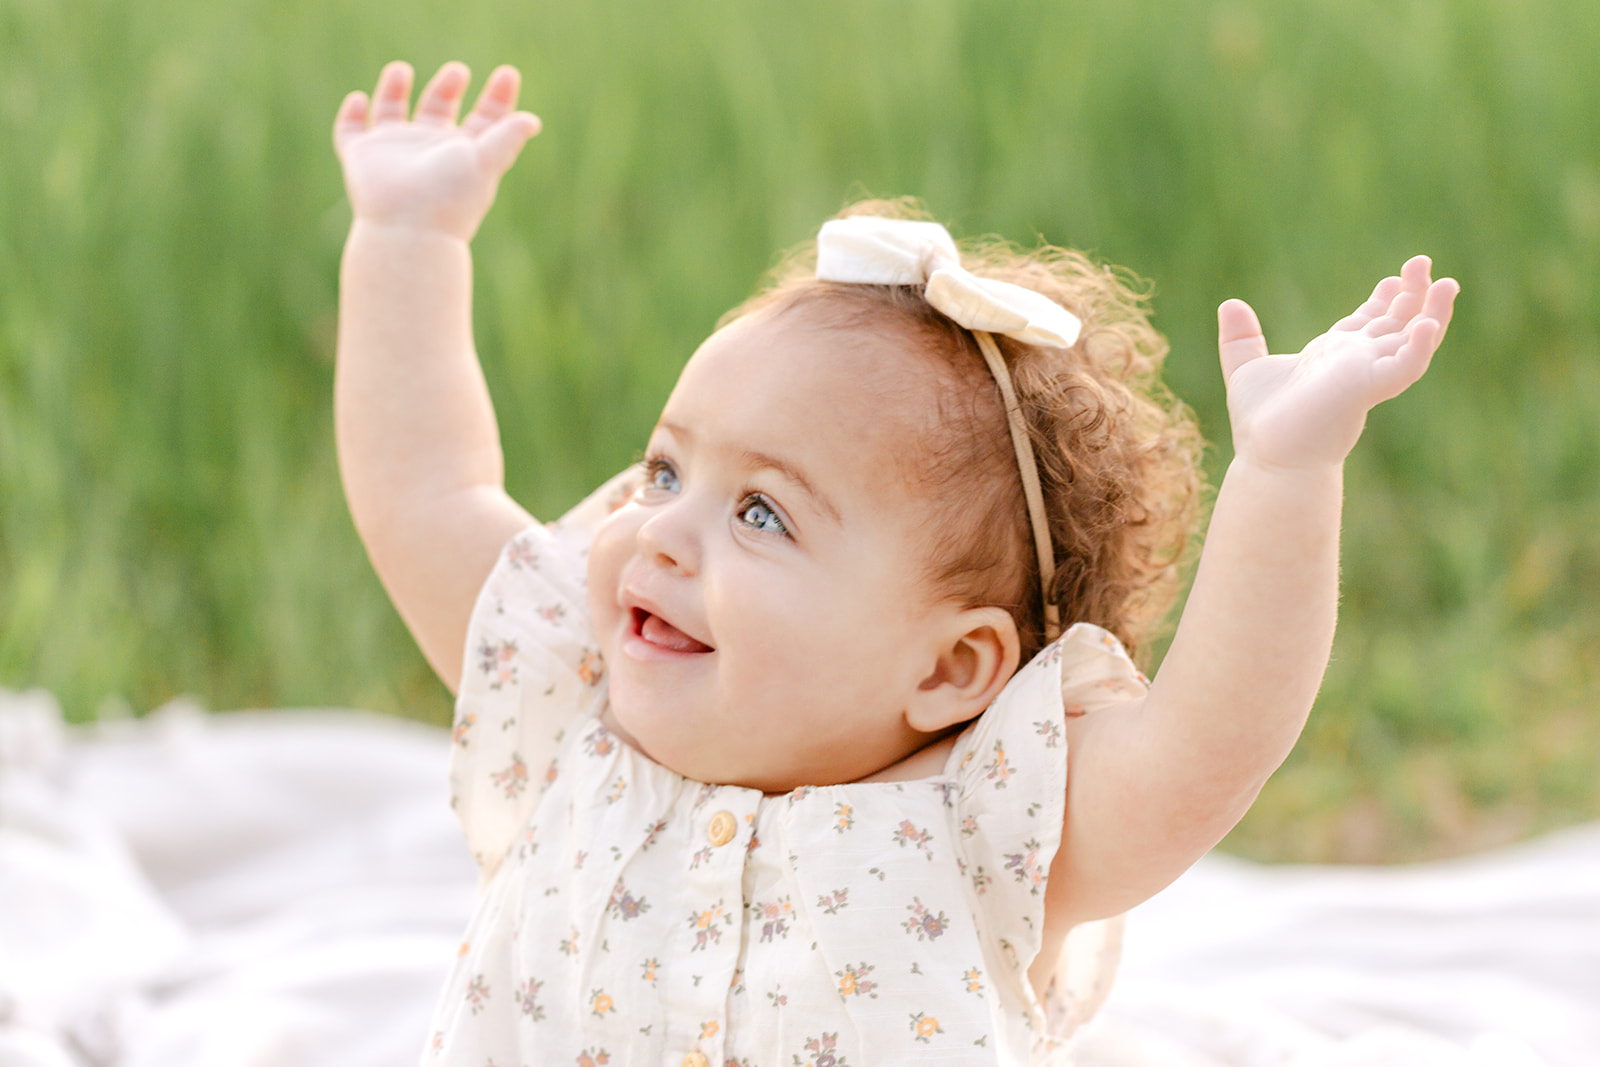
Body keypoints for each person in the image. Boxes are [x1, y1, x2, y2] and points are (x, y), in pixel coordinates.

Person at [330, 60, 1459, 1067]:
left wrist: (1285, 473)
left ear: (953, 665)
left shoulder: (984, 823)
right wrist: (406, 243)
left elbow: (1210, 737)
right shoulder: (574, 692)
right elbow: (427, 492)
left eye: (763, 515)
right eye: (666, 470)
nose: (662, 531)